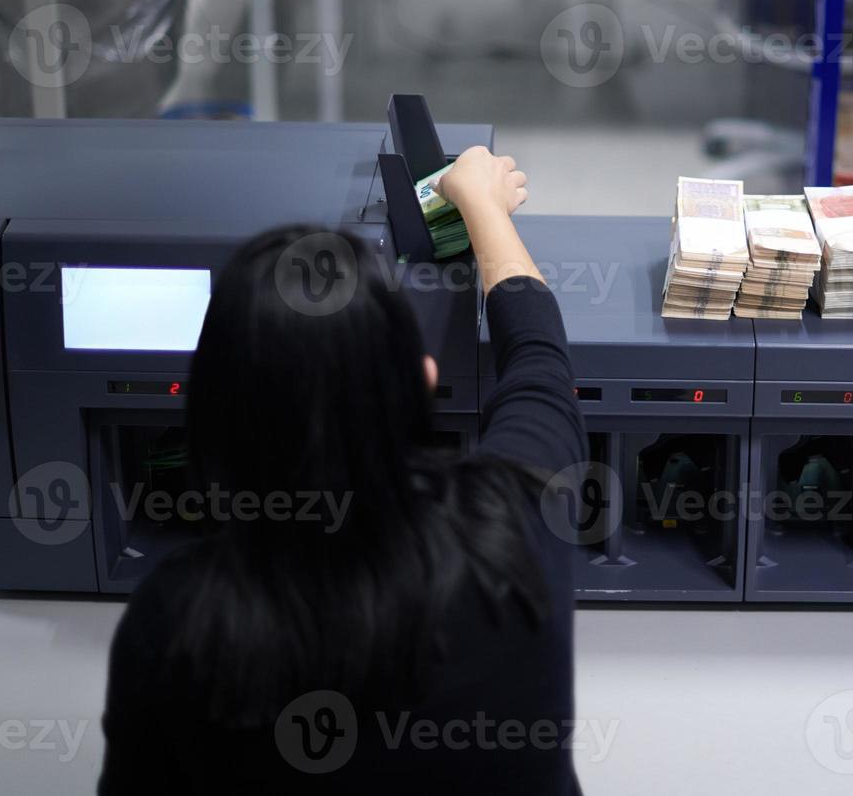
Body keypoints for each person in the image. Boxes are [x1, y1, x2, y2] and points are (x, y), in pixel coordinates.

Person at [98, 147, 587, 793]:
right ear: (425, 380)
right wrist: (482, 207)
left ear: (212, 408)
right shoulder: (516, 529)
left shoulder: (176, 619)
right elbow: (540, 360)